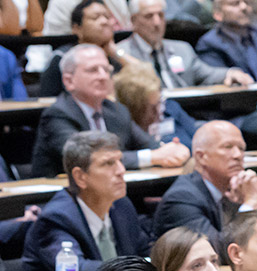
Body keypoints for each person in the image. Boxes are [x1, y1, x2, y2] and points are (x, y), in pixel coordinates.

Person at [19, 132, 152, 271]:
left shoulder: (121, 206)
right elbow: (78, 270)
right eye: (108, 163)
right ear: (80, 177)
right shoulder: (56, 218)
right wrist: (135, 269)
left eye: (120, 161)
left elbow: (146, 252)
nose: (121, 170)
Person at [32, 43, 190, 178]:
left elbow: (150, 146)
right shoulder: (58, 115)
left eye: (106, 70)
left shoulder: (116, 111)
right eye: (93, 70)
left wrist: (173, 151)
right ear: (69, 81)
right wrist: (152, 157)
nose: (102, 76)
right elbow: (87, 159)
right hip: (63, 203)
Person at [153, 120, 257, 243]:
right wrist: (250, 205)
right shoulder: (181, 198)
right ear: (201, 157)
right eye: (228, 147)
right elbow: (220, 253)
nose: (238, 155)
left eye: (241, 148)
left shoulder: (239, 189)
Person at [118, 0, 253, 90]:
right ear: (133, 21)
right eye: (149, 16)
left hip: (185, 113)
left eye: (161, 15)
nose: (157, 22)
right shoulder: (121, 53)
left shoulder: (182, 49)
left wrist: (231, 73)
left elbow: (207, 74)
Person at [39, 0, 143, 98]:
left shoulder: (114, 57)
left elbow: (146, 80)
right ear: (77, 29)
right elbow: (47, 100)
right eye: (95, 18)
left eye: (107, 17)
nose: (104, 22)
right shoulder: (63, 58)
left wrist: (115, 52)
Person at [112, 64, 199, 149]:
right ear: (134, 110)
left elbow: (197, 135)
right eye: (152, 108)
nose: (159, 111)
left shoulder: (168, 107)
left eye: (159, 101)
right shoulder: (123, 129)